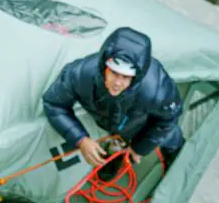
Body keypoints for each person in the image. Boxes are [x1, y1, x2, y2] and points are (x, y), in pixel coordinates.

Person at [42, 26, 184, 169]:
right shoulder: (78, 74)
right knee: (117, 139)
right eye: (114, 73)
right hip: (113, 124)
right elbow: (53, 103)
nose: (117, 83)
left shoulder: (157, 89)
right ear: (104, 66)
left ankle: (175, 151)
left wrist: (140, 148)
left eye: (126, 77)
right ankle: (118, 154)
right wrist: (81, 139)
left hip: (143, 123)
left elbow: (169, 118)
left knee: (170, 135)